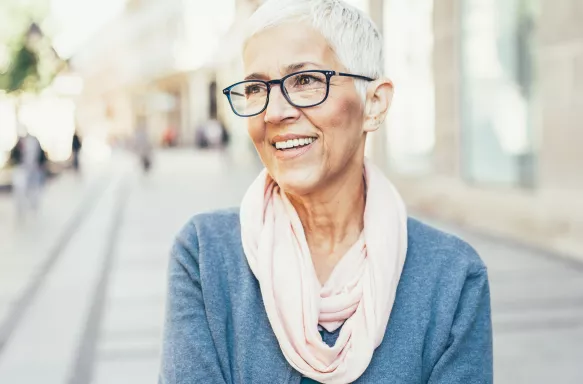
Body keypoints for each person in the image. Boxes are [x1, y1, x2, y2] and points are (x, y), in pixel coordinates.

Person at [159, 1, 492, 383]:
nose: (273, 112)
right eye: (255, 88)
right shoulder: (205, 255)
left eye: (305, 81)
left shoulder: (452, 277)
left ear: (374, 104)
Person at [9, 130, 47, 219]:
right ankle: (22, 208)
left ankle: (33, 207)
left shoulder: (36, 145)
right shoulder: (18, 147)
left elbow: (41, 157)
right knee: (21, 189)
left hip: (34, 170)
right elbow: (13, 158)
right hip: (22, 169)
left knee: (34, 190)